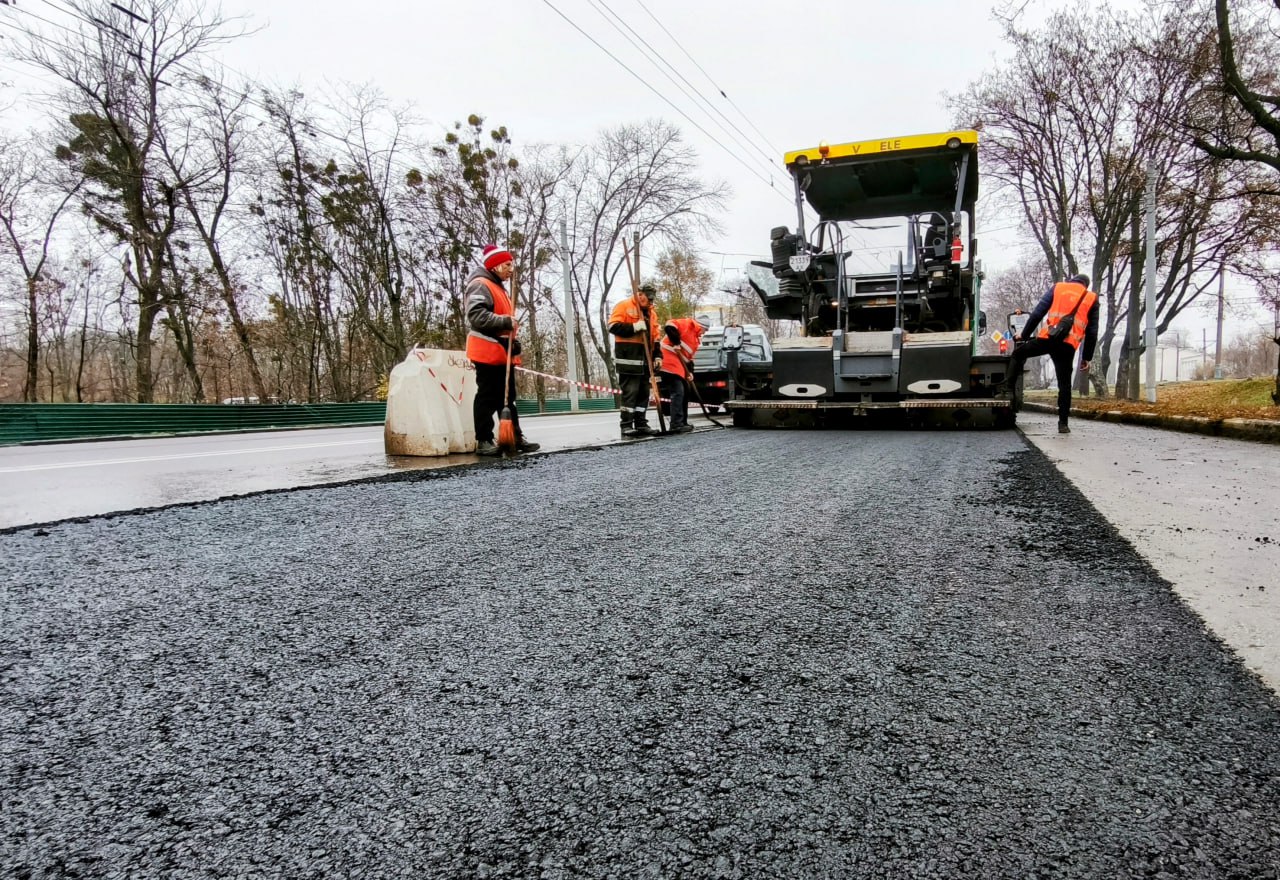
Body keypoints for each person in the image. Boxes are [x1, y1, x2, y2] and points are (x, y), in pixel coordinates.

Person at [465, 244, 539, 456]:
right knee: (487, 396)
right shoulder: (480, 285)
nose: (511, 268)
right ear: (495, 265)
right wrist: (506, 321)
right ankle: (484, 439)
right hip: (486, 350)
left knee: (508, 398)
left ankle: (514, 436)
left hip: (501, 351)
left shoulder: (499, 288)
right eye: (507, 264)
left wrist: (512, 341)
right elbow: (477, 316)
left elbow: (503, 324)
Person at [1009, 272, 1100, 434]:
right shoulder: (1091, 298)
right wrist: (1086, 357)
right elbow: (1092, 332)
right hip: (1067, 345)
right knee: (1064, 385)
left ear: (1072, 280)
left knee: (1018, 354)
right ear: (1086, 285)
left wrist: (1023, 335)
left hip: (1047, 339)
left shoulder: (1058, 288)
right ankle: (1063, 424)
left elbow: (1038, 313)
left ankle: (1008, 390)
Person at [608, 282, 661, 438]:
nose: (650, 302)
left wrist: (657, 356)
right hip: (629, 359)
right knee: (630, 392)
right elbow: (613, 327)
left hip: (645, 360)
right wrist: (634, 327)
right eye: (647, 298)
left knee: (644, 393)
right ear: (640, 294)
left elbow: (656, 337)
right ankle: (626, 425)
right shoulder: (624, 306)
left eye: (652, 299)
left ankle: (641, 423)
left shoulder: (652, 313)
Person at [658, 313, 711, 433]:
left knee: (686, 391)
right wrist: (676, 342)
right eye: (705, 330)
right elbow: (669, 326)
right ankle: (676, 424)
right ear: (701, 326)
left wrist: (690, 372)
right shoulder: (687, 324)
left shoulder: (696, 340)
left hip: (680, 366)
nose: (704, 333)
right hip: (668, 361)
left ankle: (682, 422)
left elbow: (688, 358)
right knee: (678, 391)